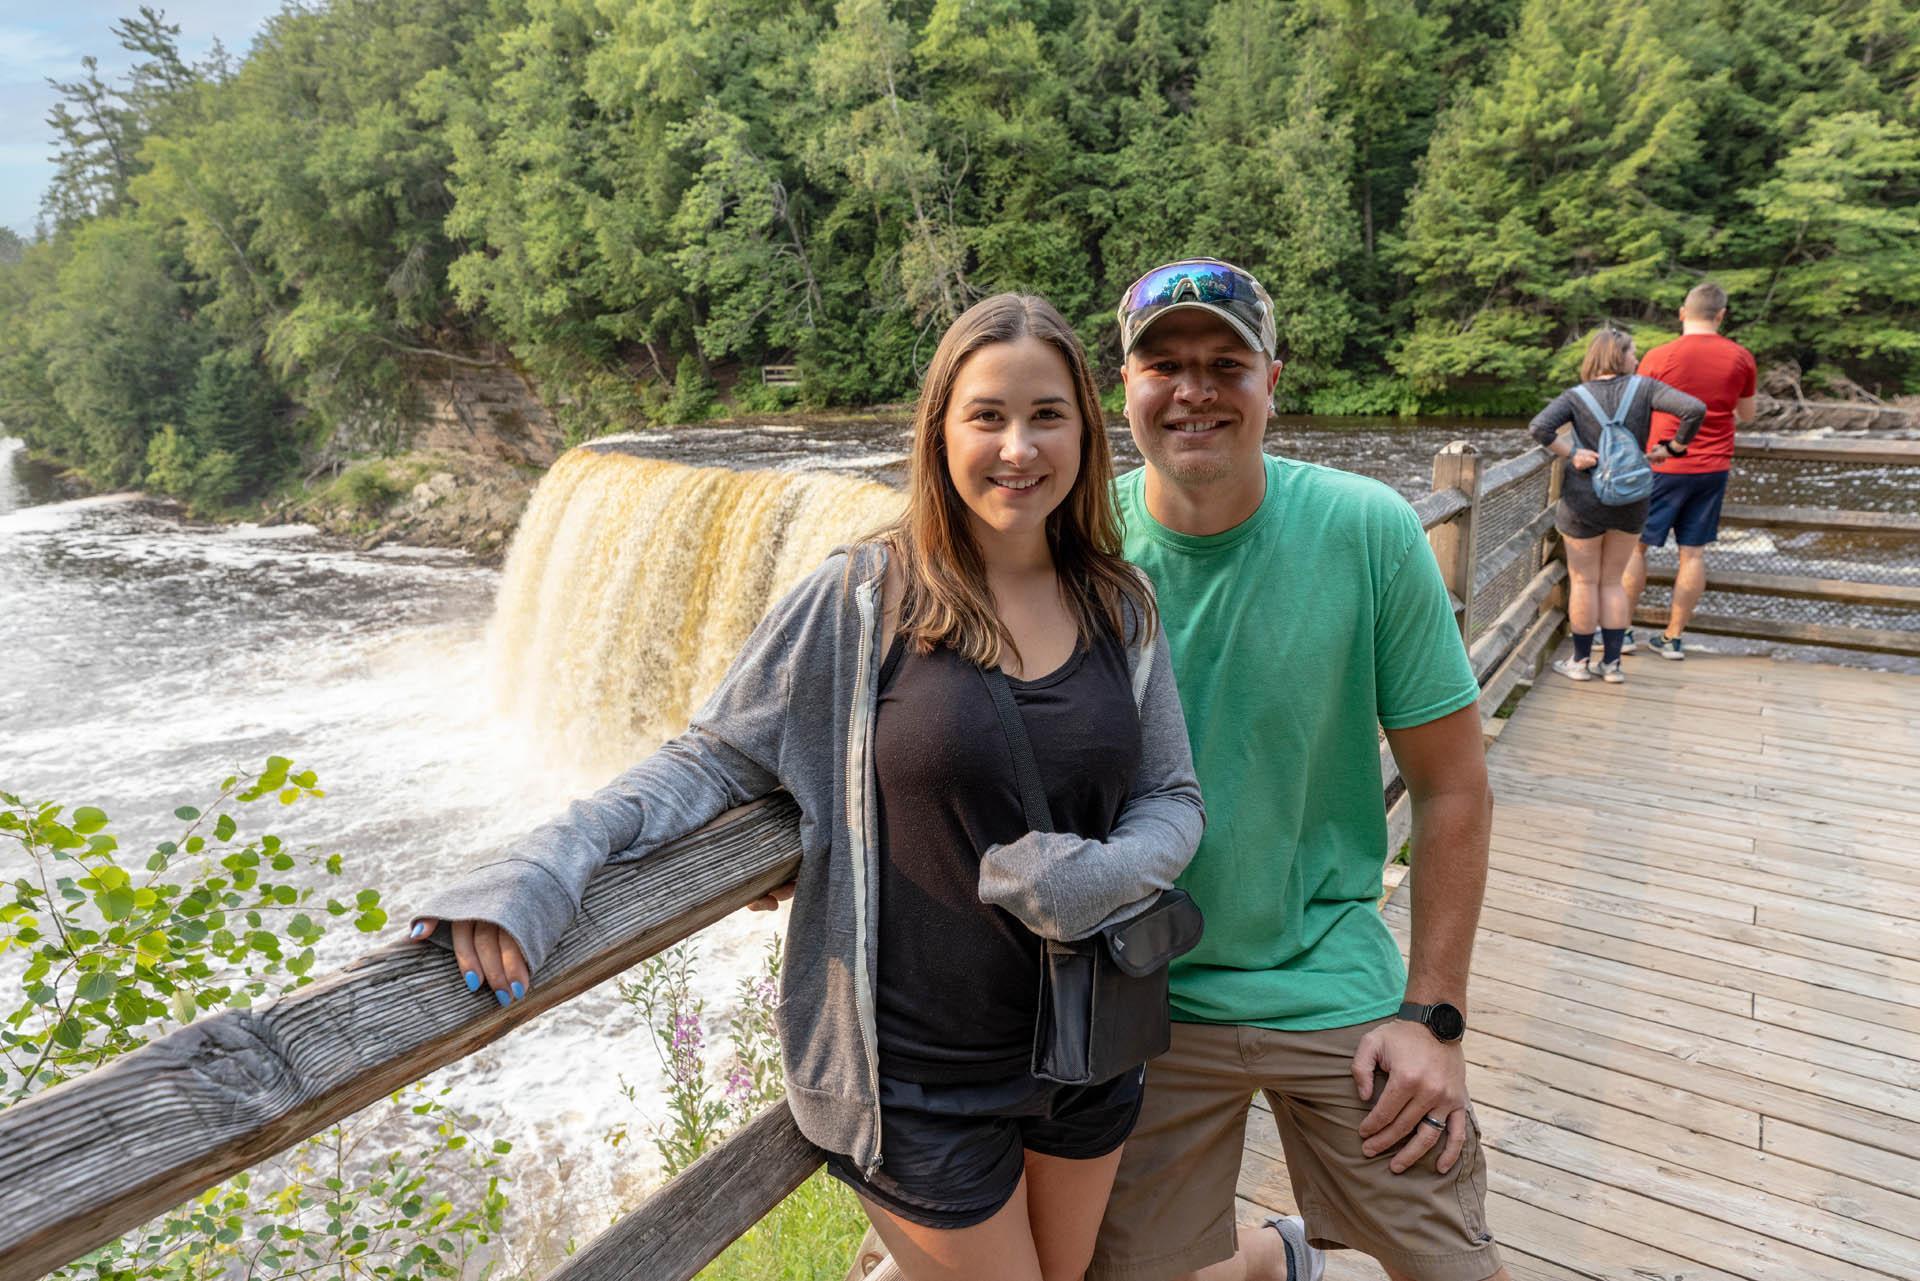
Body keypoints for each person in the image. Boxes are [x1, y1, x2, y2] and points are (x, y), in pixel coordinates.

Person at [404, 293, 1206, 1281]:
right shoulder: (863, 598)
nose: (1018, 447)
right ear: (939, 433)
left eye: (1047, 415)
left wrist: (1111, 873)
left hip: (1087, 1047)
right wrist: (549, 857)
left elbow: (1174, 798)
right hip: (916, 1082)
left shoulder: (1118, 606)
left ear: (1086, 429)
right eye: (987, 416)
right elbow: (711, 755)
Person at [1086, 259, 1502, 1281]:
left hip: (1333, 982)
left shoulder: (1366, 531)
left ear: (1274, 377)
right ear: (1124, 387)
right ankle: (1275, 1257)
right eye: (1164, 364)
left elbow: (1453, 784)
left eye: (1226, 363)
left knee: (1455, 1271)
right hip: (1144, 996)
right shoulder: (1079, 541)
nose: (1196, 390)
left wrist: (1434, 1017)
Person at [1529, 327, 1705, 684]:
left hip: (1584, 500)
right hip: (1631, 499)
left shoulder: (1577, 396)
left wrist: (1574, 453)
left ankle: (1579, 662)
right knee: (1611, 581)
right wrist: (1673, 448)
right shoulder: (1645, 388)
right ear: (1616, 356)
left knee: (1583, 581)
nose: (1637, 359)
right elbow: (1694, 409)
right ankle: (1612, 664)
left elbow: (1540, 428)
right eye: (1632, 353)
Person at [1621, 281, 1758, 660]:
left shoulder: (1659, 356)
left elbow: (1637, 410)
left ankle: (1623, 633)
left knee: (1637, 546)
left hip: (1661, 463)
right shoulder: (1741, 358)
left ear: (1683, 313)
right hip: (1713, 466)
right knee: (1692, 555)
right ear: (1721, 316)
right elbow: (1747, 414)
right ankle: (1673, 638)